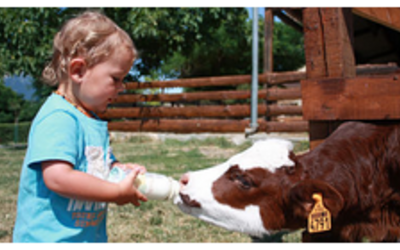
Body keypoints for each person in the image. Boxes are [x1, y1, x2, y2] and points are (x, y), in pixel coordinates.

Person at [13, 11, 148, 243]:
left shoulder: (89, 117)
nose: (122, 87)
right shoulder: (58, 117)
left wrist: (117, 167)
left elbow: (94, 161)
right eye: (116, 79)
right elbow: (58, 177)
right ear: (79, 71)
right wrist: (116, 193)